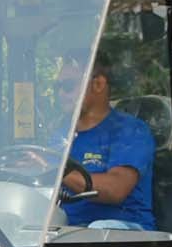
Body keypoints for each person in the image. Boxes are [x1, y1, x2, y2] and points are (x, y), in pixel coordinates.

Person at [58, 66, 161, 231]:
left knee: (98, 228)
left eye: (68, 86)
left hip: (124, 234)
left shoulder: (130, 131)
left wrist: (58, 172)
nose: (61, 94)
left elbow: (116, 189)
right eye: (58, 87)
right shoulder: (59, 134)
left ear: (98, 84)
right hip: (67, 232)